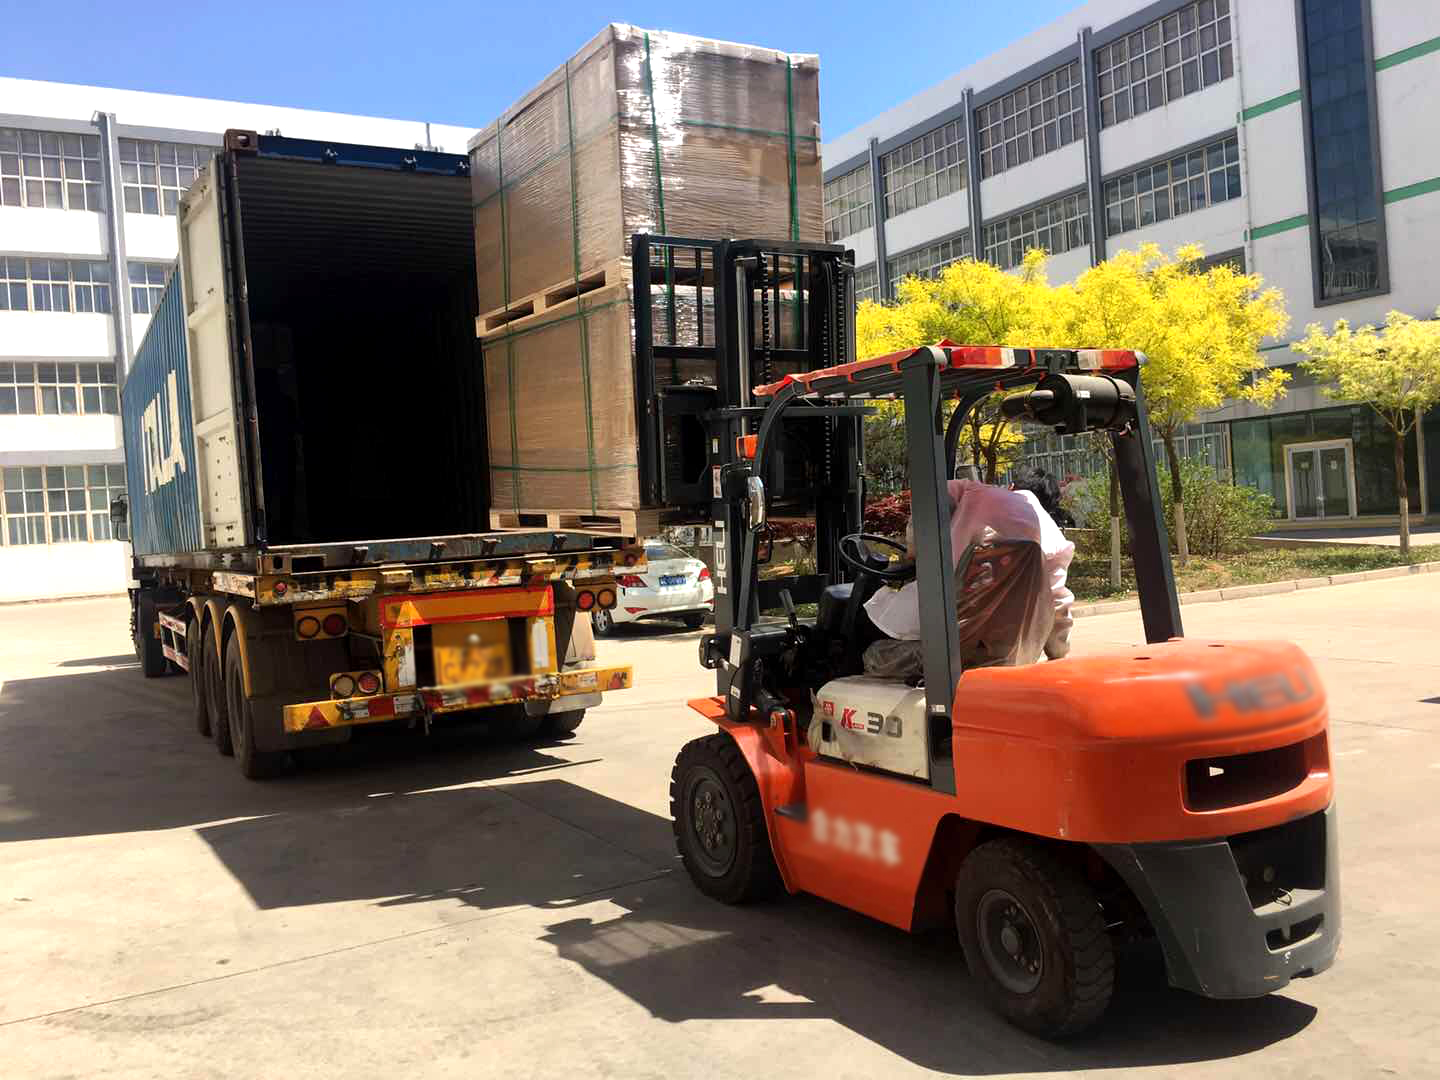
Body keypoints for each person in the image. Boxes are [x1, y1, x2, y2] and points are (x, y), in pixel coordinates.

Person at [864, 477, 1076, 661]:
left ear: (1010, 486)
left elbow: (924, 511)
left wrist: (912, 552)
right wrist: (1058, 652)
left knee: (875, 650)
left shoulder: (975, 503)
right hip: (1013, 651)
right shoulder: (1046, 533)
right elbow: (1058, 598)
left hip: (958, 649)